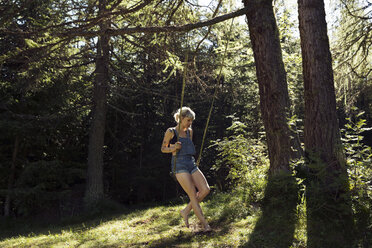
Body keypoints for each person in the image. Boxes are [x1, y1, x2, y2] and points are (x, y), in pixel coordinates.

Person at [161, 107, 211, 232]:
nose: (190, 123)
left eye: (191, 121)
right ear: (181, 118)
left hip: (191, 163)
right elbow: (163, 148)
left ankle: (185, 211)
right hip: (179, 165)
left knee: (205, 190)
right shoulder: (171, 131)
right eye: (188, 120)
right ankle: (205, 225)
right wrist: (173, 148)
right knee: (193, 195)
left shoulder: (190, 132)